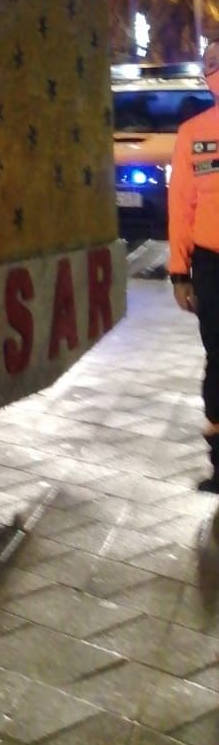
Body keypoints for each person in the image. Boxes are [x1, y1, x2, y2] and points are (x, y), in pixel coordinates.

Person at [168, 38, 219, 491]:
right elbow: (181, 204)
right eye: (209, 62)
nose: (213, 69)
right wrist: (179, 270)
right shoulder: (194, 132)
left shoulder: (195, 131)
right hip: (211, 263)